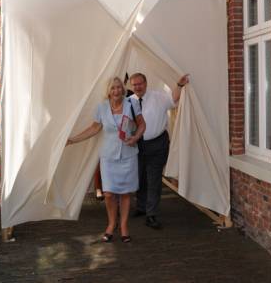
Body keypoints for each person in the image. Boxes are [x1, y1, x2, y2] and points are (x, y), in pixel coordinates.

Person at [66, 76, 145, 243]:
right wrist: (73, 139)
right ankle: (111, 223)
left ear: (122, 89)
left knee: (125, 194)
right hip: (108, 156)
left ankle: (124, 227)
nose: (116, 91)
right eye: (112, 88)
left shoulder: (132, 104)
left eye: (118, 87)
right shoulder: (101, 108)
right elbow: (94, 128)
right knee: (109, 194)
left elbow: (142, 124)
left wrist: (135, 137)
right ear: (108, 91)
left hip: (128, 154)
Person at [129, 72, 189, 229]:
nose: (137, 87)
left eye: (140, 84)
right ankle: (141, 207)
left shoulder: (158, 96)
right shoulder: (129, 102)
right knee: (140, 178)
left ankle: (151, 214)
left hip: (157, 144)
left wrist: (180, 85)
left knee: (153, 180)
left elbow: (173, 99)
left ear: (146, 83)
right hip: (137, 146)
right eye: (134, 85)